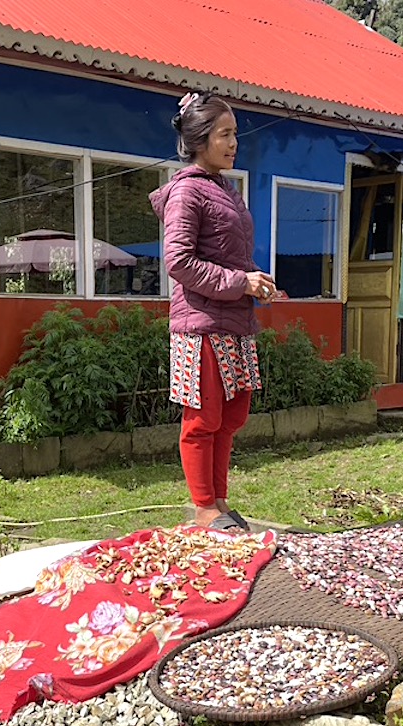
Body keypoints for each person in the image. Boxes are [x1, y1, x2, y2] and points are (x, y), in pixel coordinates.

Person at [149, 91, 277, 531]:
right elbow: (179, 261)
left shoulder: (226, 190)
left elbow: (229, 257)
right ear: (199, 140)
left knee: (232, 416)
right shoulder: (187, 192)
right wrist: (242, 282)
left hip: (235, 322)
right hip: (200, 324)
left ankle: (220, 502)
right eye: (225, 134)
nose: (234, 143)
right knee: (203, 419)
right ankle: (204, 507)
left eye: (235, 133)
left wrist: (255, 281)